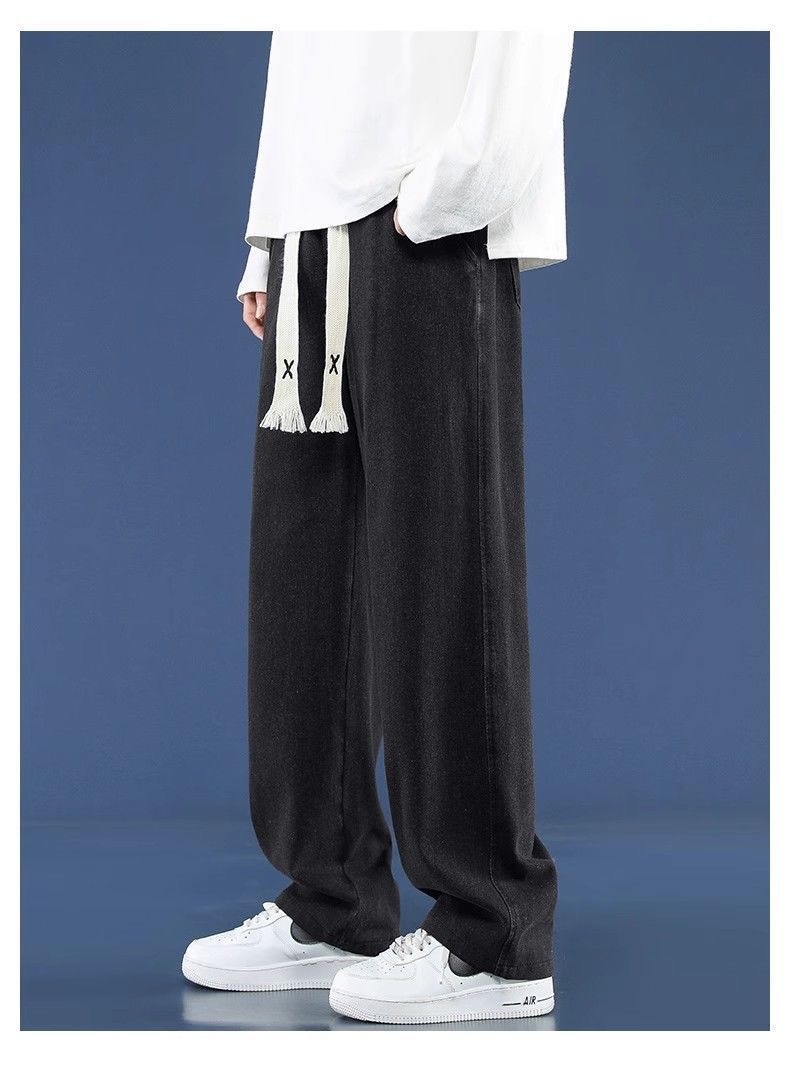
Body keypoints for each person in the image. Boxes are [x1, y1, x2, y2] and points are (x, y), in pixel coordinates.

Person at [182, 30, 573, 1026]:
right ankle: (334, 898)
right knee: (302, 570)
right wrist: (270, 232)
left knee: (442, 560)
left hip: (425, 217)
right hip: (311, 226)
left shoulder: (436, 204)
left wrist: (455, 188)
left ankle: (493, 931)